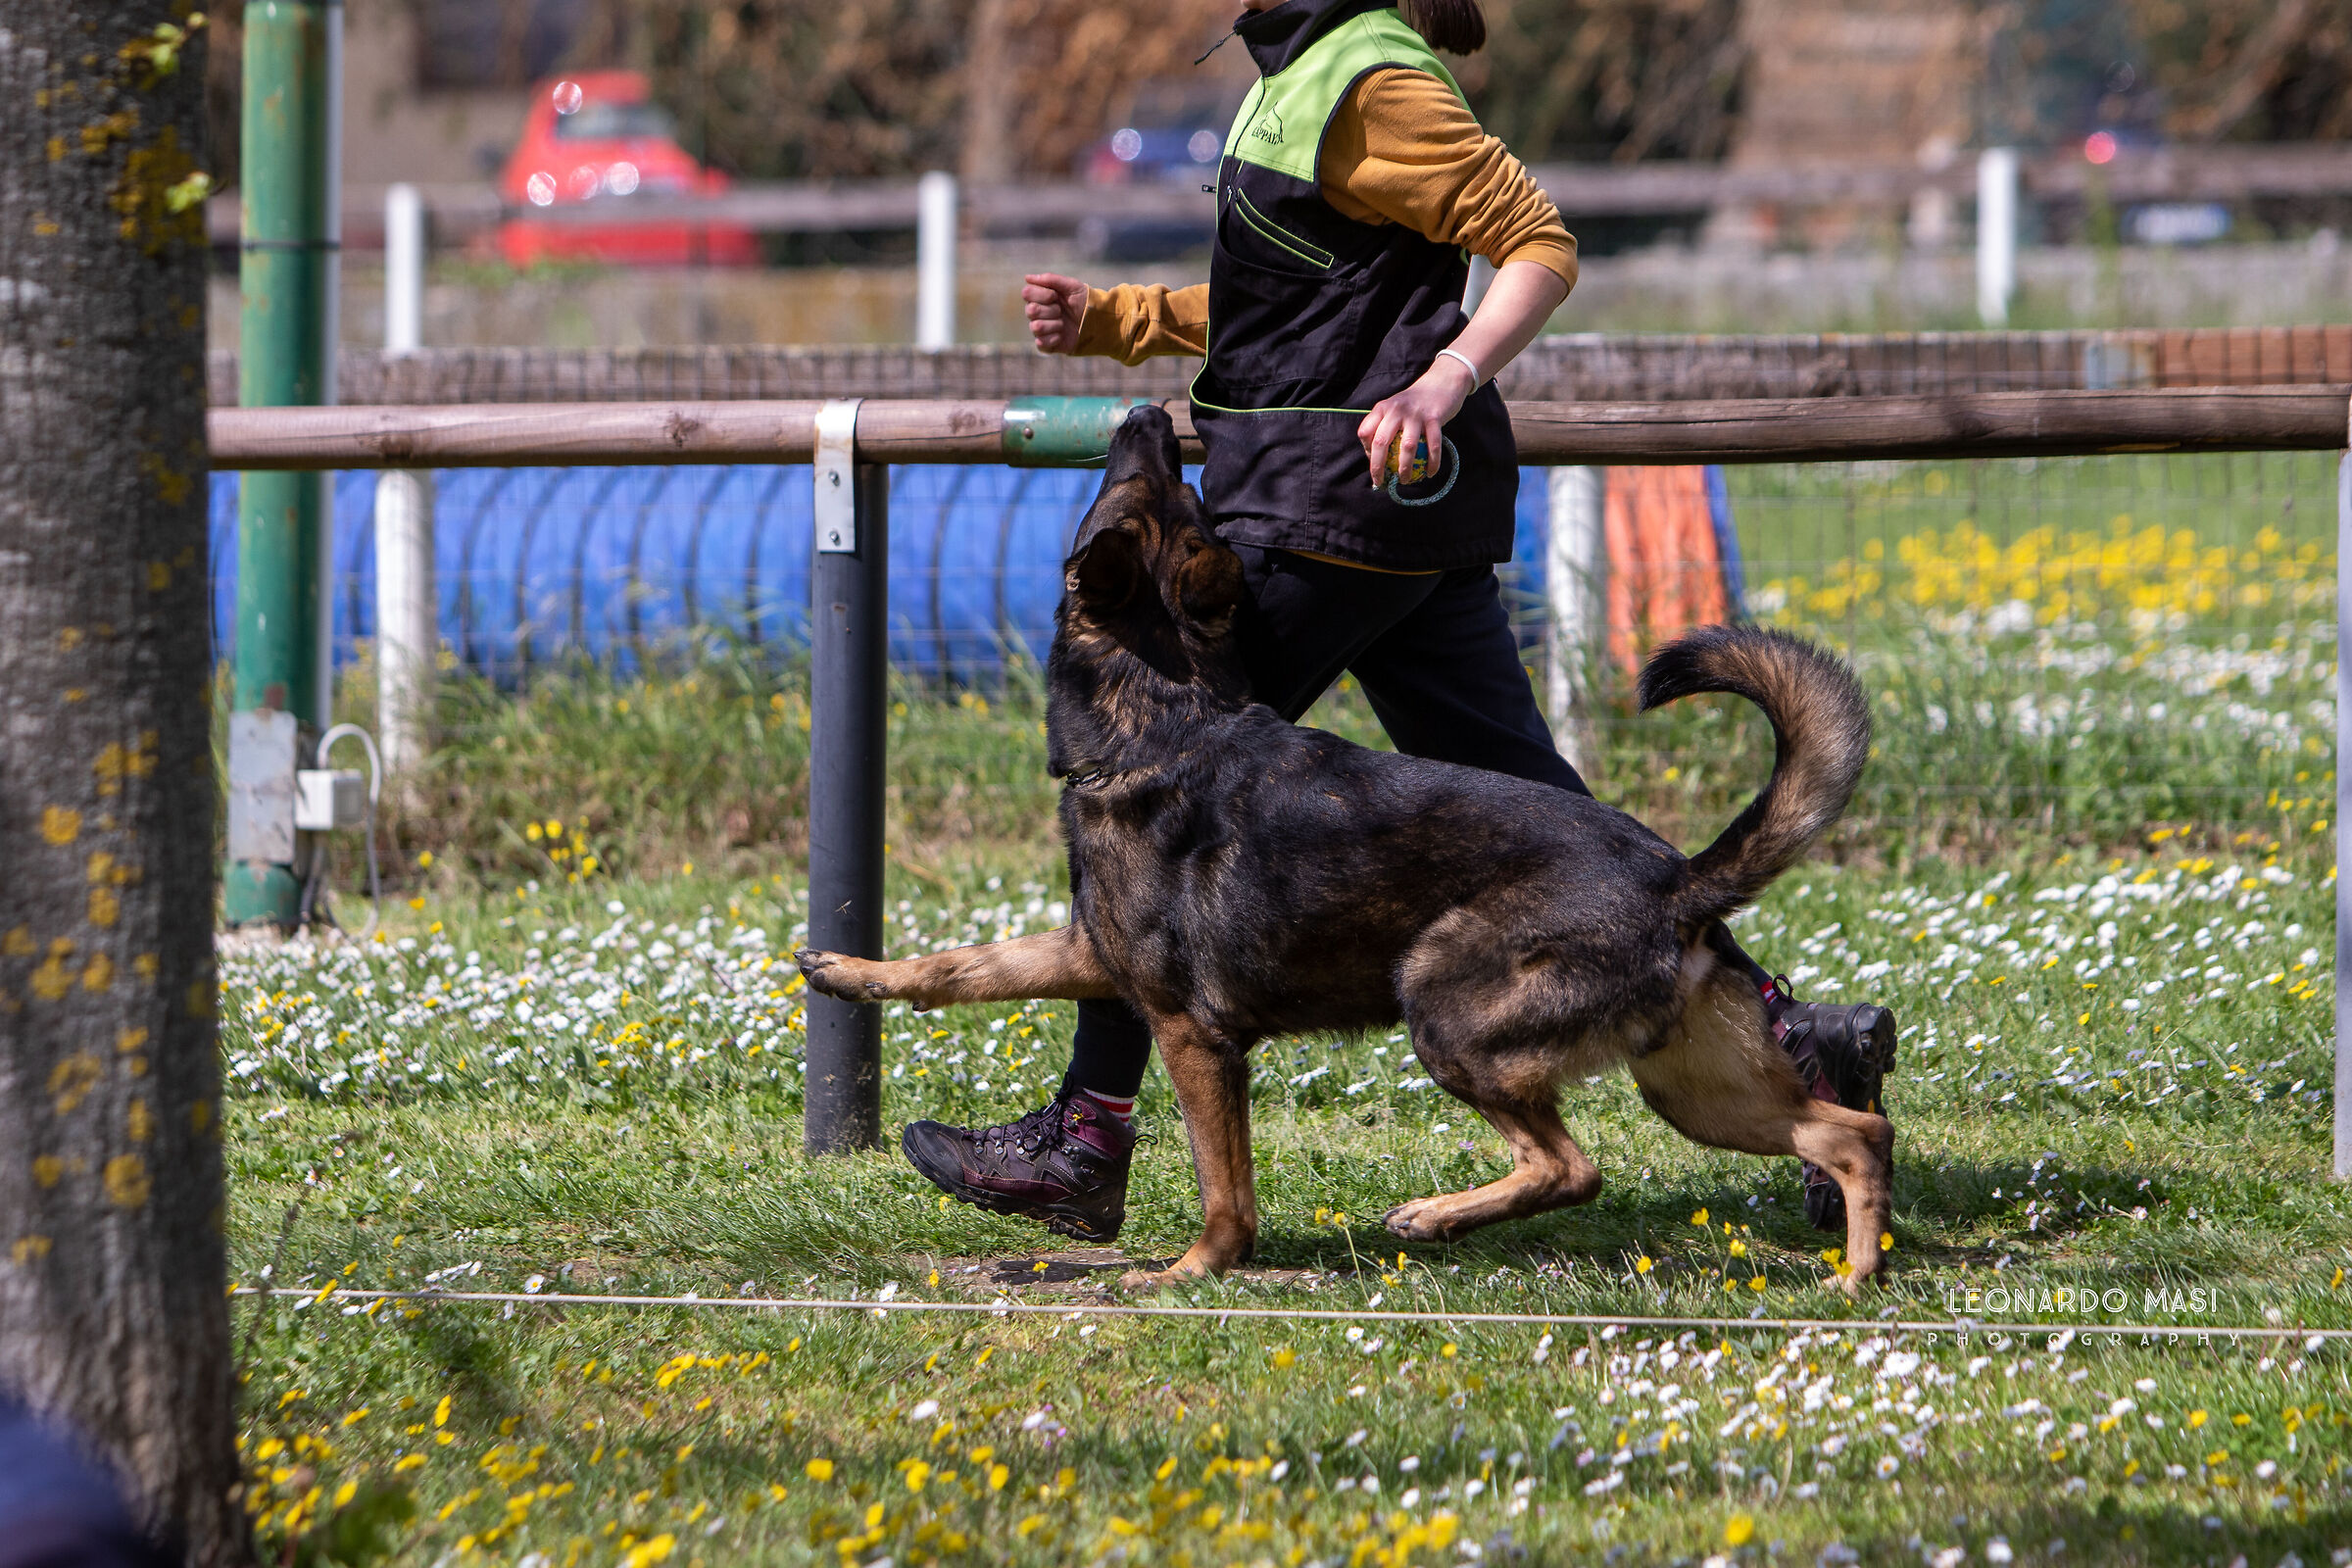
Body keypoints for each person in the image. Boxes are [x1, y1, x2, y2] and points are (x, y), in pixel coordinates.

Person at [901, 0, 1896, 1244]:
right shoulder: (1302, 77)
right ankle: (1802, 1046)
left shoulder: (1371, 79)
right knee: (1545, 818)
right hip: (1390, 523)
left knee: (1144, 804)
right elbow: (1313, 312)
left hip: (1328, 508)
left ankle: (1086, 1135)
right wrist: (1123, 322)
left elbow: (1536, 242)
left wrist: (1448, 377)